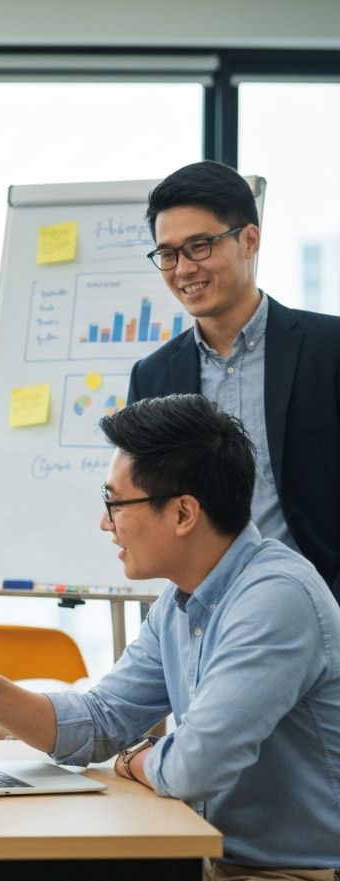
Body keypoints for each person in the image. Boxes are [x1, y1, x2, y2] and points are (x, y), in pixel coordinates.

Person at [0, 394, 340, 881]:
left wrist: (140, 761)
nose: (105, 523)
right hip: (219, 867)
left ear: (184, 513)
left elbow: (196, 766)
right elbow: (99, 723)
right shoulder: (181, 602)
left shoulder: (275, 598)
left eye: (115, 503)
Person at [128, 159, 340, 600]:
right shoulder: (153, 377)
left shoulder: (329, 349)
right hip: (209, 618)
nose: (184, 269)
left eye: (200, 245)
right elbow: (154, 512)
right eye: (167, 253)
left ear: (249, 240)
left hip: (322, 610)